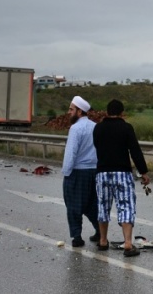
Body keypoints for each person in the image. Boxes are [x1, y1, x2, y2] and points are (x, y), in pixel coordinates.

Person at [93, 99, 150, 257]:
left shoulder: (98, 128)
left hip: (102, 173)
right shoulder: (126, 128)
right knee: (126, 206)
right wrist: (143, 172)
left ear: (107, 112)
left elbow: (97, 148)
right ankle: (128, 243)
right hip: (122, 173)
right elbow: (135, 151)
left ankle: (103, 241)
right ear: (122, 113)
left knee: (103, 206)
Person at [61, 96, 100, 247]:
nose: (69, 112)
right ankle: (100, 232)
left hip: (77, 172)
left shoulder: (75, 128)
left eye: (71, 109)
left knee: (73, 205)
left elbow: (71, 153)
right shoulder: (95, 126)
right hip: (94, 171)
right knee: (92, 204)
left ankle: (77, 236)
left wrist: (66, 172)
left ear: (79, 111)